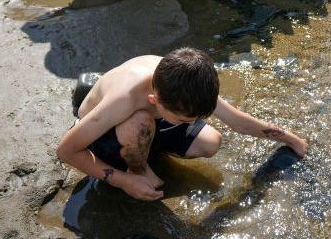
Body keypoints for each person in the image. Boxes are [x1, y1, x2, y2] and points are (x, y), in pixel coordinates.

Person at [56, 48, 309, 201]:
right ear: (155, 100)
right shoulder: (124, 99)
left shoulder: (189, 81)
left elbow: (239, 122)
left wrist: (289, 139)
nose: (193, 123)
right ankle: (136, 168)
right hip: (108, 132)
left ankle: (146, 148)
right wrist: (121, 180)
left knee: (211, 142)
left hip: (152, 121)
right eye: (186, 120)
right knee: (141, 123)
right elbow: (66, 151)